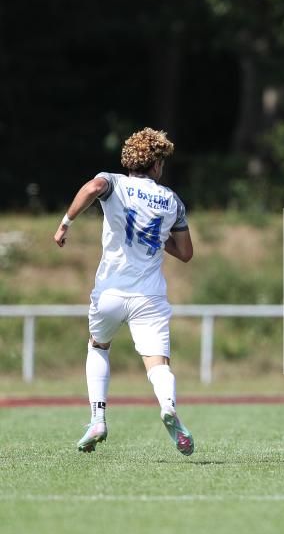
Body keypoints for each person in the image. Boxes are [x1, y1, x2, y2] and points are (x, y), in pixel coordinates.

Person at [53, 127, 195, 456]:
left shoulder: (114, 182)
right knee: (158, 363)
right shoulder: (172, 201)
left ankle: (98, 419)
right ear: (157, 165)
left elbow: (93, 187)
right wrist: (158, 237)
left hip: (110, 293)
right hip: (149, 297)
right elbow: (186, 253)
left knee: (99, 346)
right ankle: (169, 407)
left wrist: (65, 224)